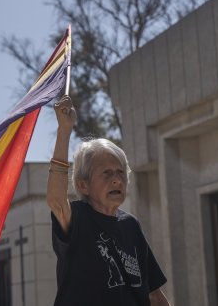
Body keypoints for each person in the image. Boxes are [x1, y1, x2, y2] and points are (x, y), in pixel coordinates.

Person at [46, 96, 171, 306]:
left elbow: (155, 296)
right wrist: (64, 131)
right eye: (106, 173)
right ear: (83, 185)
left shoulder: (131, 226)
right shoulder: (77, 217)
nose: (116, 179)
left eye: (121, 172)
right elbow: (56, 200)